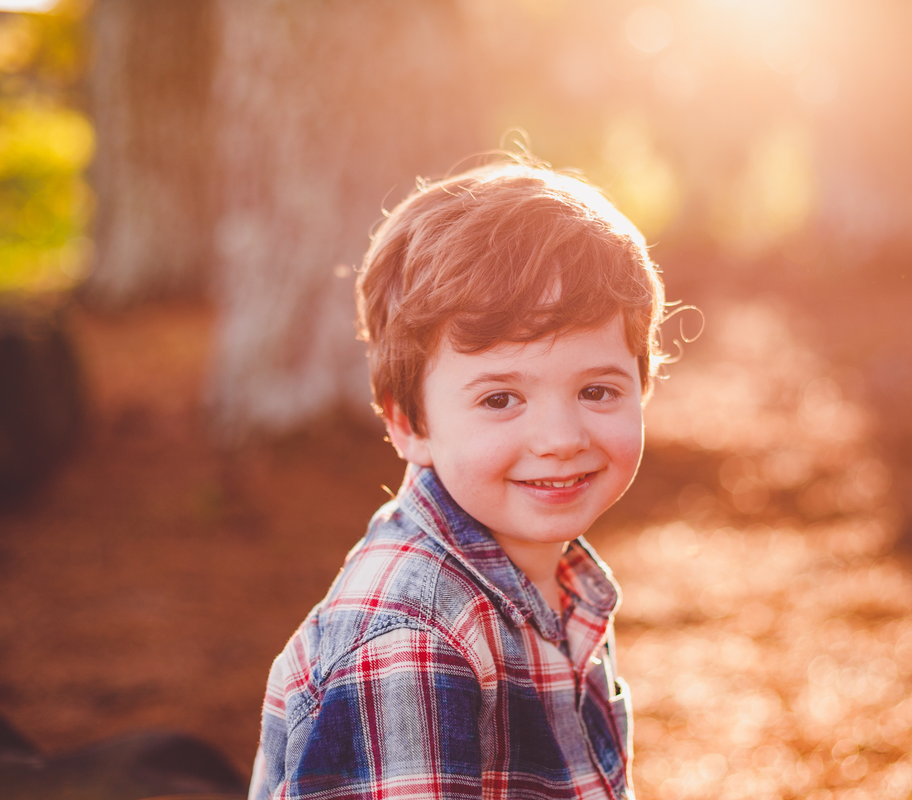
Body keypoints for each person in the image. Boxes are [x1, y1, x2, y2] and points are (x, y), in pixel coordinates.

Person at [248, 159, 666, 800]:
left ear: (644, 387)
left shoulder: (552, 579)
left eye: (597, 389)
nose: (561, 439)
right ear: (409, 422)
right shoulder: (411, 644)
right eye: (501, 399)